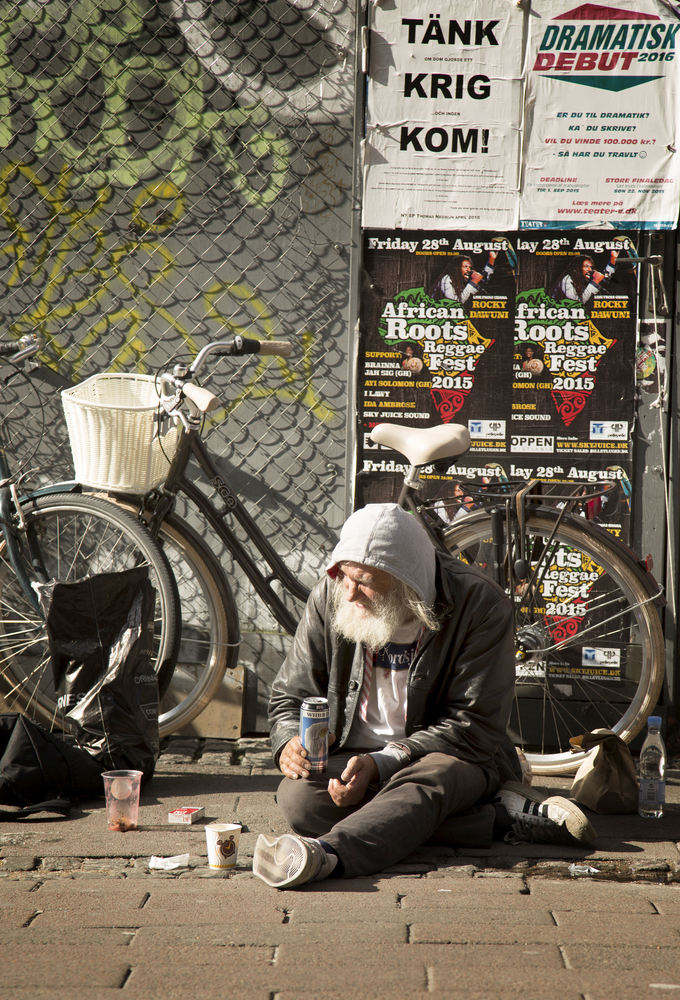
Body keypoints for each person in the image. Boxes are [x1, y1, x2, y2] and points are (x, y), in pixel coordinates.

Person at [253, 504, 596, 889]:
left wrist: (384, 762)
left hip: (446, 757)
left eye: (364, 581)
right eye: (343, 576)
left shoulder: (481, 605)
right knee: (301, 802)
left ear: (406, 581)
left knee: (432, 778)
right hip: (353, 758)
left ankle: (328, 855)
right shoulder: (332, 594)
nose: (349, 593)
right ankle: (498, 818)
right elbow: (289, 695)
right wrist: (288, 742)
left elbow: (473, 727)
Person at [551, 251, 619, 309]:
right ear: (577, 268)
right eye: (586, 266)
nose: (590, 269)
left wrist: (612, 260)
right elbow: (576, 303)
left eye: (591, 267)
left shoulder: (584, 279)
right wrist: (594, 282)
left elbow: (603, 278)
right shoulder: (566, 280)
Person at [429, 252, 497, 308]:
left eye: (469, 267)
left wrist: (491, 259)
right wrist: (473, 282)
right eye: (465, 267)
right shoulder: (446, 280)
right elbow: (456, 303)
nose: (469, 270)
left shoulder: (463, 278)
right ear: (456, 268)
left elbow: (482, 279)